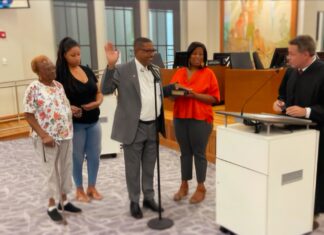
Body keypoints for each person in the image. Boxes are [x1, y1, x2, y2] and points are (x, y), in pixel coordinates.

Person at [101, 37, 178, 219]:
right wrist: (110, 66)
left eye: (153, 50)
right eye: (147, 51)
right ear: (136, 51)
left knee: (150, 165)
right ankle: (134, 201)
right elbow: (105, 89)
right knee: (133, 167)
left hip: (153, 125)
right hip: (134, 127)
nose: (152, 54)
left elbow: (156, 93)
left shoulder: (156, 70)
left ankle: (148, 197)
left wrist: (172, 90)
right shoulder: (122, 70)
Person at [272, 35, 324, 230]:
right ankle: (291, 208)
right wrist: (278, 103)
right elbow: (282, 95)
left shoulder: (322, 71)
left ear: (306, 54)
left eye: (292, 54)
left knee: (312, 176)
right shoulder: (291, 72)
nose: (288, 58)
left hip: (316, 134)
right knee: (291, 173)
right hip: (291, 132)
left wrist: (307, 111)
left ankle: (310, 213)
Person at [23, 55, 81, 222]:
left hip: (65, 134)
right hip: (46, 138)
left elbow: (60, 105)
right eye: (48, 69)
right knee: (50, 172)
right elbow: (28, 114)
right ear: (39, 72)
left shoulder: (58, 85)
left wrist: (71, 109)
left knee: (65, 168)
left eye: (53, 67)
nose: (53, 70)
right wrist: (44, 135)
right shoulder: (33, 88)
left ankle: (64, 200)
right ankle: (51, 204)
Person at [170, 42, 220, 204]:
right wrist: (177, 93)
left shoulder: (209, 74)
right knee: (185, 153)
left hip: (200, 118)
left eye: (201, 54)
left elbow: (214, 99)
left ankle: (201, 187)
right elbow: (170, 96)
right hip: (180, 117)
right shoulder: (179, 72)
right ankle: (184, 185)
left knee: (199, 153)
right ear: (189, 55)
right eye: (195, 54)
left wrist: (194, 95)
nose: (198, 57)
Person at [56, 37, 103, 203]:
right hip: (76, 125)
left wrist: (97, 102)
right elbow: (55, 101)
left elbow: (98, 92)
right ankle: (79, 189)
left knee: (94, 156)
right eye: (72, 55)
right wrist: (68, 108)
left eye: (79, 54)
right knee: (77, 157)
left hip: (94, 121)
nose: (77, 58)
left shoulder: (86, 70)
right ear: (63, 56)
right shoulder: (59, 75)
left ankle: (92, 187)